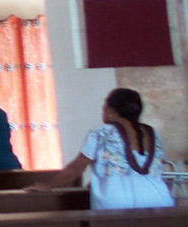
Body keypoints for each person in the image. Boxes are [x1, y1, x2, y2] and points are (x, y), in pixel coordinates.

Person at [31, 88, 172, 210]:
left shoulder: (101, 132)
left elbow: (75, 170)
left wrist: (48, 185)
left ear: (111, 111)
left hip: (116, 205)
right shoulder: (153, 133)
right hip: (159, 201)